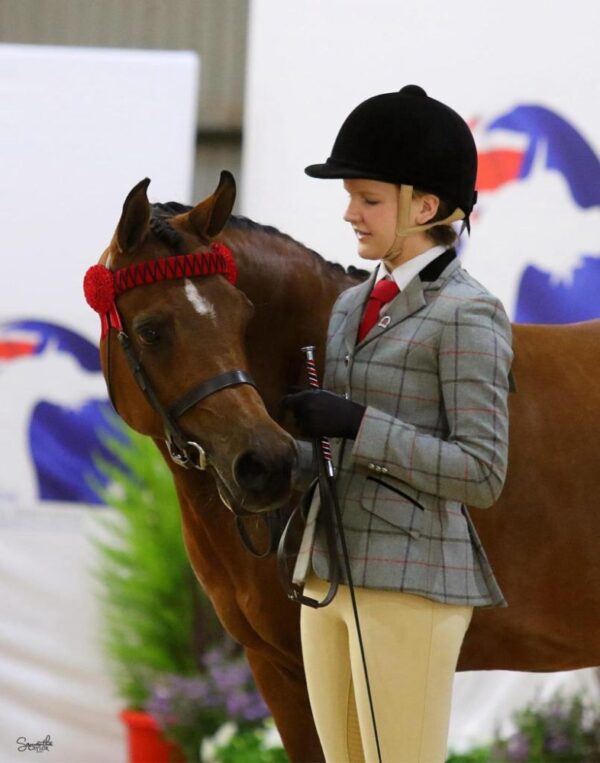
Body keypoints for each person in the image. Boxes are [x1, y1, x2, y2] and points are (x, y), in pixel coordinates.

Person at [283, 85, 513, 763]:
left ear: (426, 206)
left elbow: (481, 472)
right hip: (327, 571)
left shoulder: (468, 314)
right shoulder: (351, 304)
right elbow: (339, 453)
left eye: (368, 198)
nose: (349, 212)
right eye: (351, 196)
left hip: (411, 581)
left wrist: (356, 422)